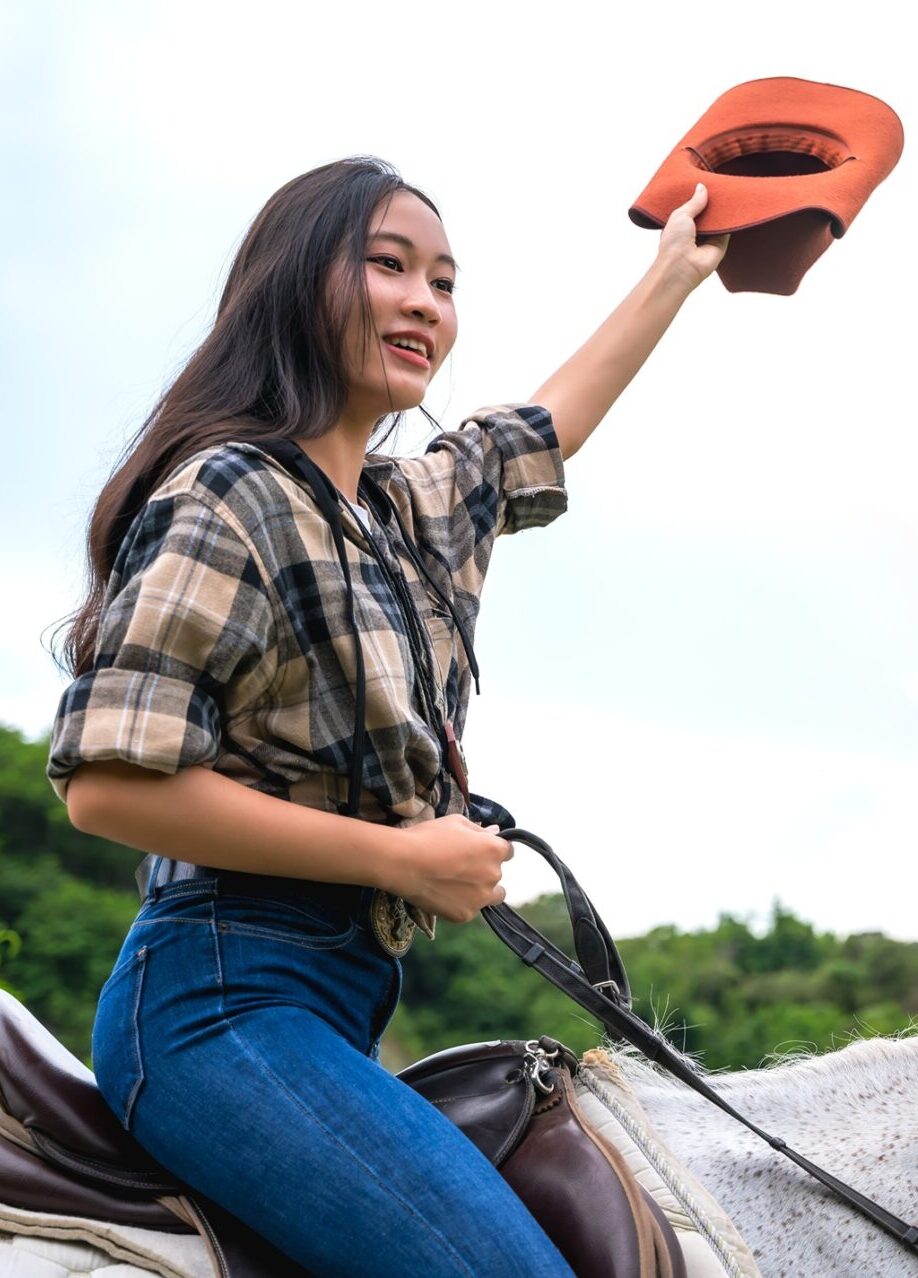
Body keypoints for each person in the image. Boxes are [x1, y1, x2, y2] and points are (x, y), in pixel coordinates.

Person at [43, 155, 729, 1278]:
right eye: (389, 265)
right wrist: (404, 859)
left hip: (337, 994)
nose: (425, 302)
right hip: (222, 1002)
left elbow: (537, 433)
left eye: (445, 283)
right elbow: (111, 784)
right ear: (295, 284)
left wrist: (673, 274)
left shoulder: (399, 513)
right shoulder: (232, 492)